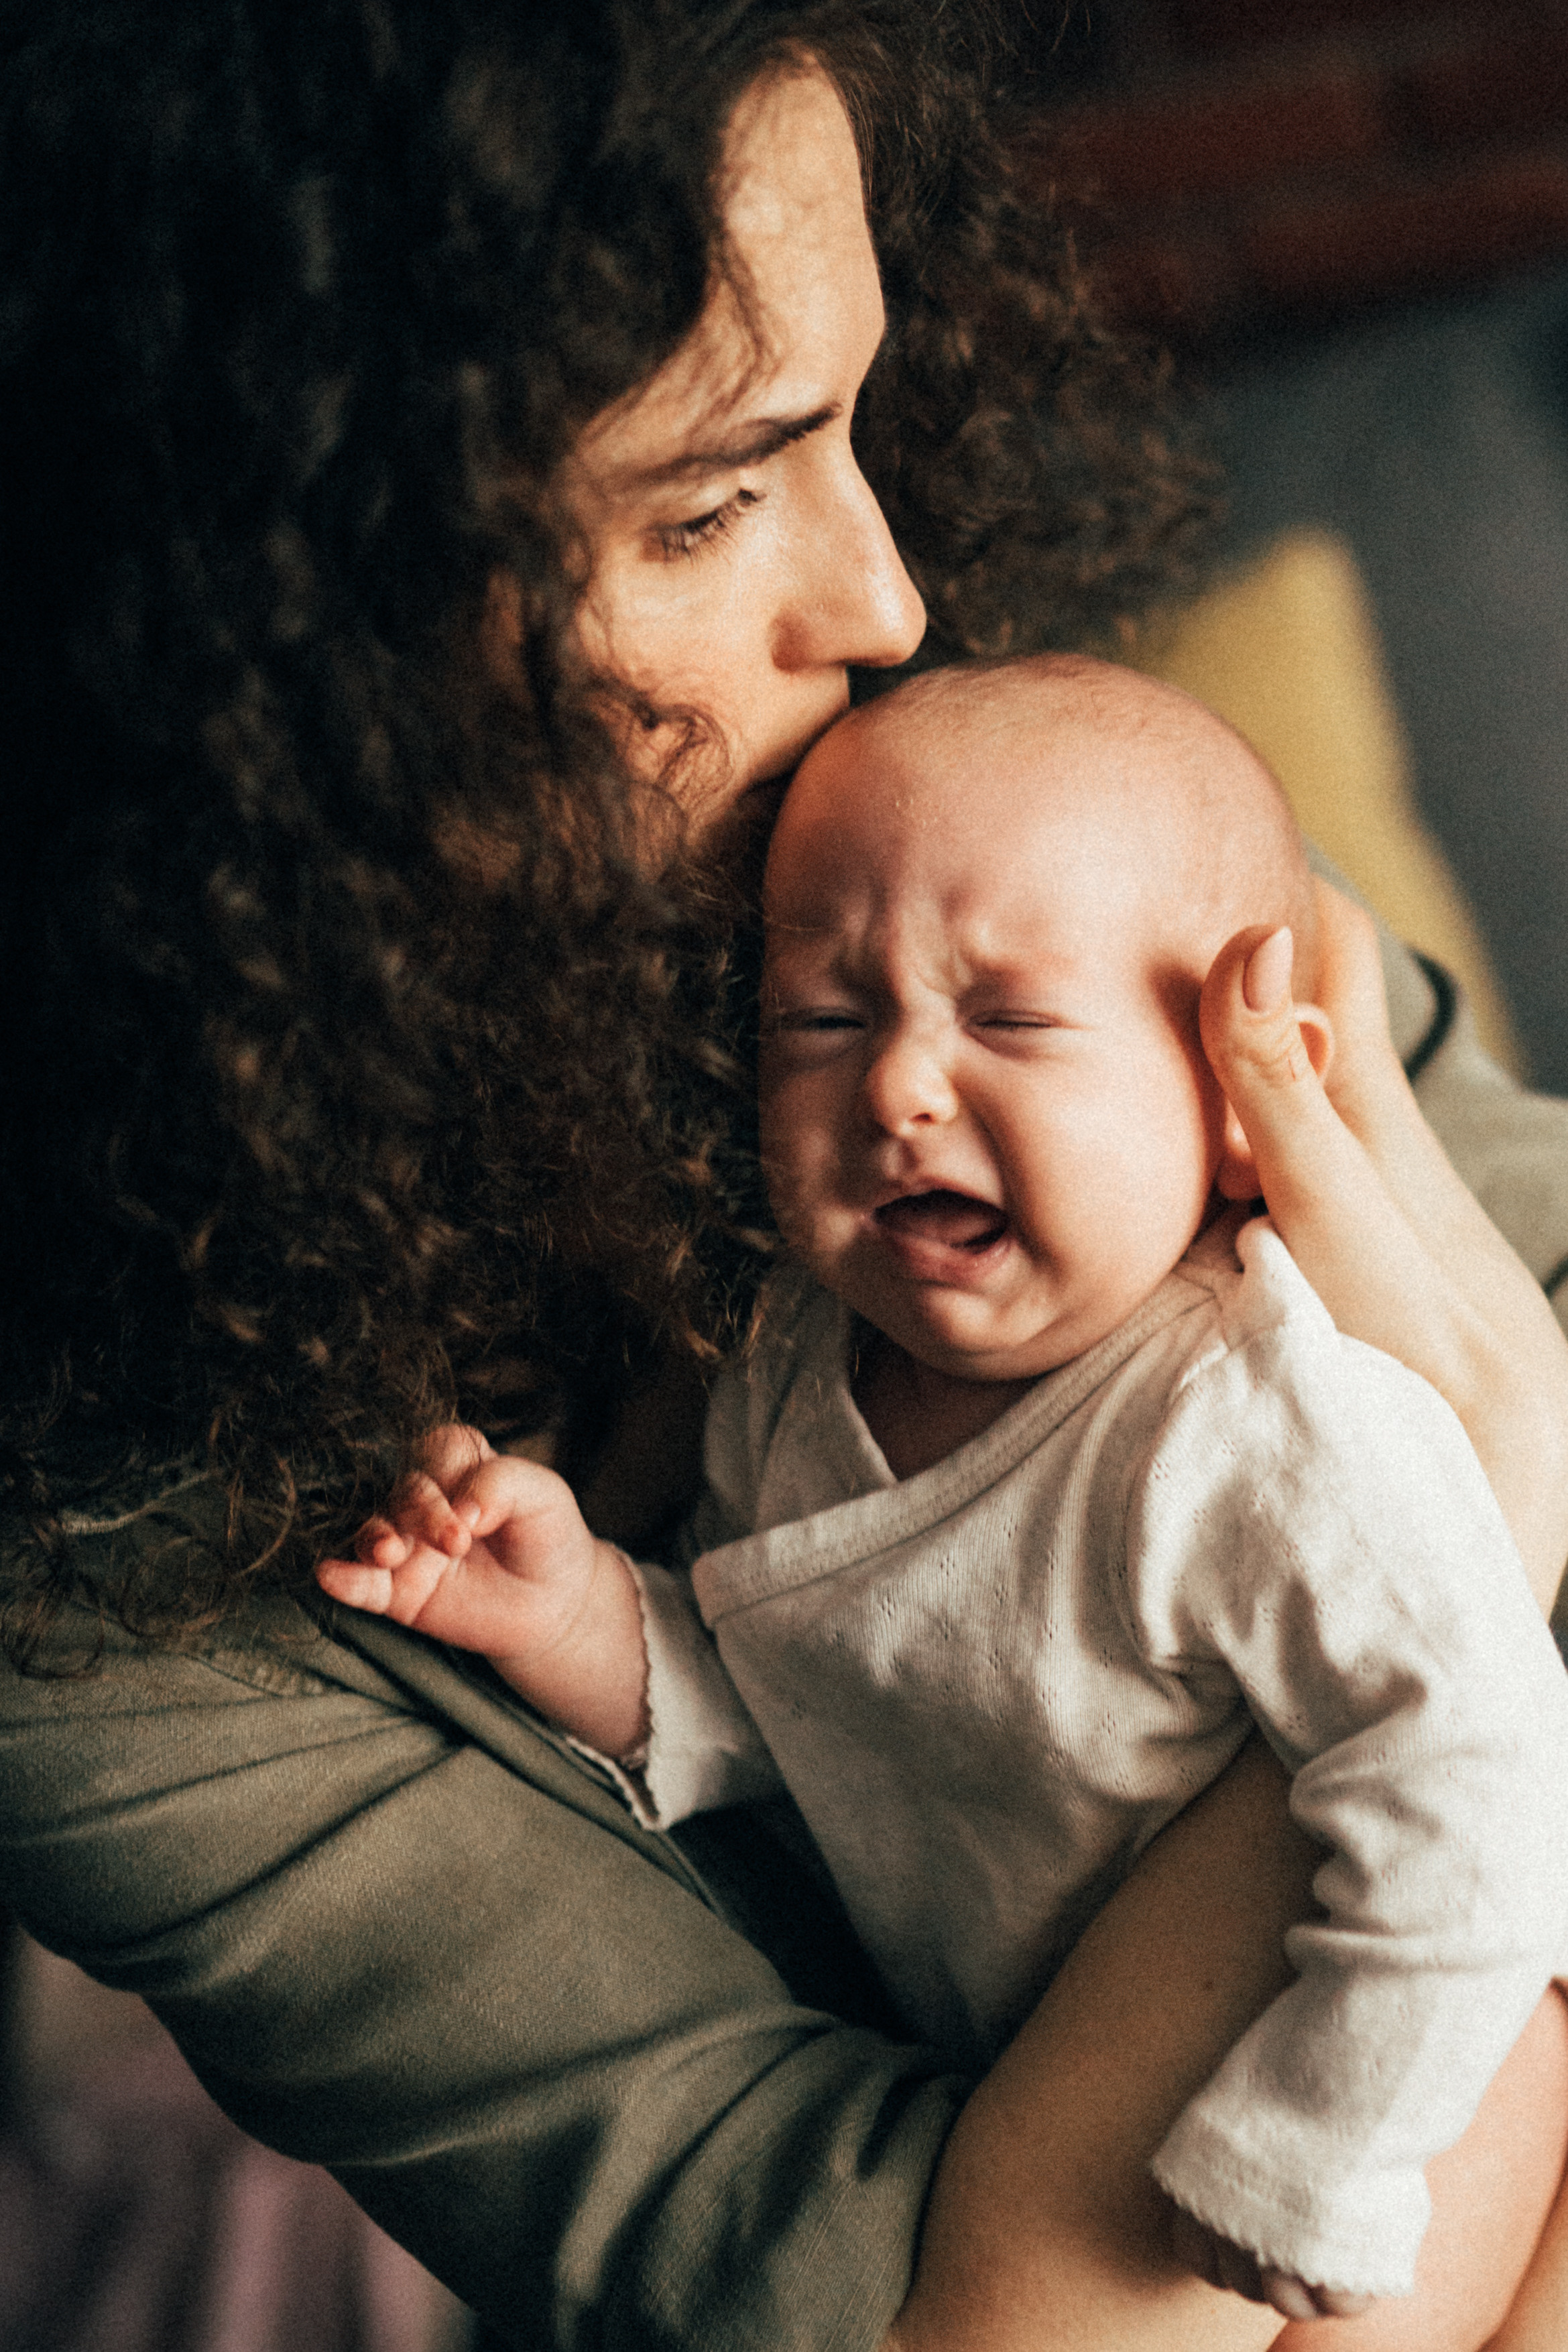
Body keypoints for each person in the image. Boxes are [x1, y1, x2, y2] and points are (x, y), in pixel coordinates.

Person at [5, 7, 1568, 2349]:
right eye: (712, 497)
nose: (894, 602)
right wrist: (1493, 1479)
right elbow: (965, 2325)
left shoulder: (1026, 840)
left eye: (849, 417)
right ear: (268, 631)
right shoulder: (100, 1607)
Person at [317, 654, 1568, 2344]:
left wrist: (1320, 2140)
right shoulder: (787, 1368)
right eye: (824, 1019)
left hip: (1429, 2053)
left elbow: (1481, 1767)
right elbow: (819, 1701)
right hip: (1077, 2078)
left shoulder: (1258, 1421)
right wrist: (593, 1621)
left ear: (1231, 1104)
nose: (900, 1086)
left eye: (1012, 1019)